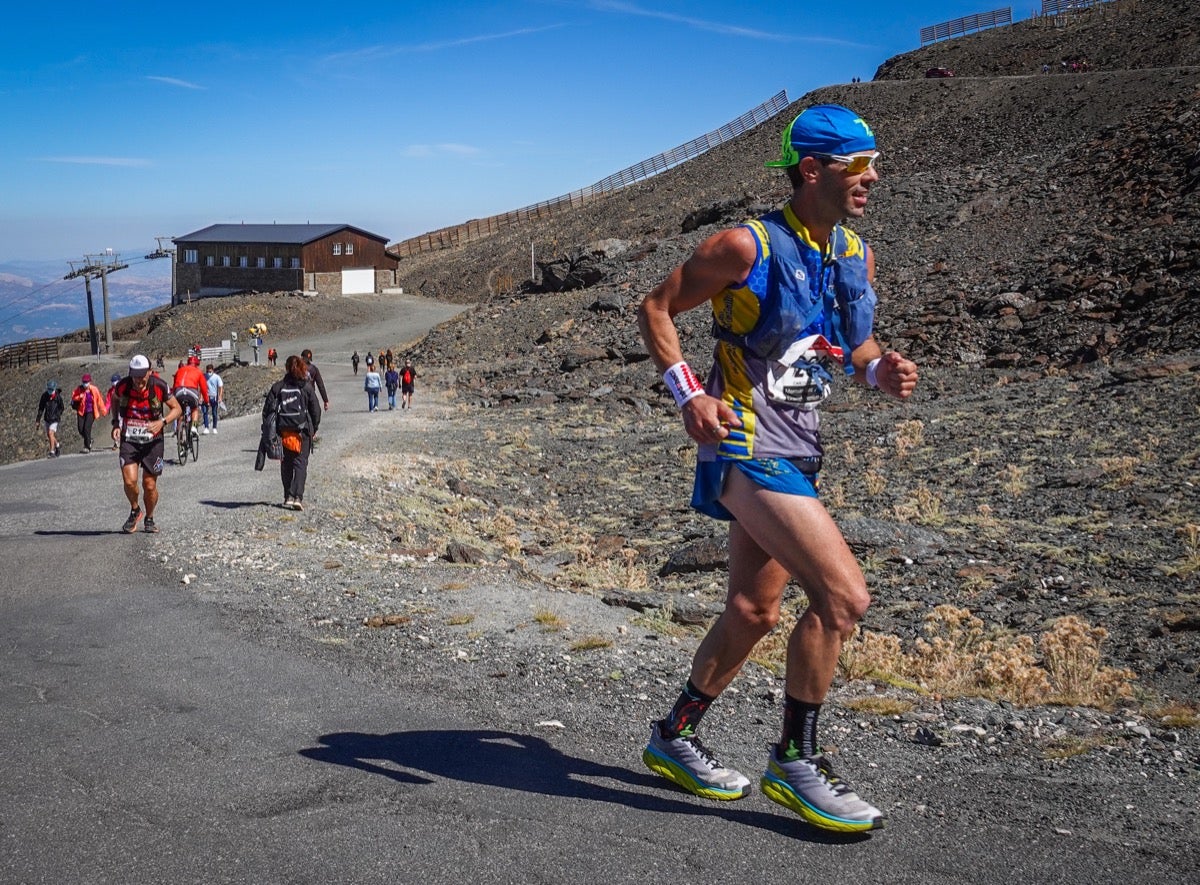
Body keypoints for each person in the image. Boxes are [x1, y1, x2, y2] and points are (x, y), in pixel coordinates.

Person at [636, 104, 918, 834]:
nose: (873, 177)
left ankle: (673, 736)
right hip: (745, 444)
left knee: (753, 611)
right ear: (813, 169)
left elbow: (853, 346)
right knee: (844, 597)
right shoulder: (745, 246)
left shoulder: (855, 253)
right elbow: (657, 307)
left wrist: (879, 371)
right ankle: (796, 759)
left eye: (875, 164)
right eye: (861, 165)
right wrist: (688, 395)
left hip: (801, 446)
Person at [110, 354, 182, 533]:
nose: (138, 380)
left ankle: (149, 518)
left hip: (153, 442)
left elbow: (177, 408)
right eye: (135, 375)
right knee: (129, 481)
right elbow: (114, 399)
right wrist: (116, 423)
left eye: (142, 375)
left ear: (149, 372)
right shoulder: (123, 386)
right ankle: (135, 510)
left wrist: (162, 422)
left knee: (149, 485)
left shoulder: (159, 386)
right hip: (129, 439)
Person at [262, 354, 321, 511]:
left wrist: (269, 431)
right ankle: (297, 497)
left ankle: (288, 496)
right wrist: (314, 428)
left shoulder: (278, 387)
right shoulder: (306, 387)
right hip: (302, 431)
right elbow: (316, 410)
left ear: (287, 368)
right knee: (300, 463)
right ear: (302, 367)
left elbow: (267, 411)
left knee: (286, 463)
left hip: (283, 432)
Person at [171, 355, 209, 438]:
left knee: (180, 410)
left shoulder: (179, 370)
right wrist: (206, 401)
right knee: (194, 409)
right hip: (191, 391)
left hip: (178, 391)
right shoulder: (198, 372)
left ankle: (178, 429)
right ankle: (194, 427)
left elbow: (174, 385)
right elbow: (204, 389)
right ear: (197, 364)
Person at [70, 373, 107, 453]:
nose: (85, 383)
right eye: (84, 382)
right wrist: (79, 396)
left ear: (90, 382)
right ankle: (89, 439)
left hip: (91, 412)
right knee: (80, 429)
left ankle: (87, 446)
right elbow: (73, 397)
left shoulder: (94, 389)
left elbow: (99, 400)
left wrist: (103, 410)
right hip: (81, 411)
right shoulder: (79, 389)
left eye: (86, 382)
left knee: (87, 428)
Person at [35, 380, 66, 457]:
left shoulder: (58, 397)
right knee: (49, 435)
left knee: (50, 433)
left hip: (55, 419)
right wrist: (38, 420)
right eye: (49, 389)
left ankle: (52, 451)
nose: (50, 391)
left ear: (54, 388)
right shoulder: (44, 396)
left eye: (51, 389)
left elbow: (62, 407)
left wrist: (58, 414)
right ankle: (57, 445)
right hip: (47, 418)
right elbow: (41, 408)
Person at [202, 364, 224, 434]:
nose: (209, 373)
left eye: (210, 371)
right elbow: (201, 387)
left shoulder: (217, 377)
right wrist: (201, 397)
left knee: (214, 413)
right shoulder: (204, 376)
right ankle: (206, 427)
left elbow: (220, 387)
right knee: (205, 412)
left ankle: (214, 427)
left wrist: (220, 396)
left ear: (213, 370)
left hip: (214, 397)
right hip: (206, 397)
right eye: (207, 371)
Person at [104, 373, 122, 449]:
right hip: (115, 410)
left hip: (122, 410)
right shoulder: (111, 391)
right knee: (116, 424)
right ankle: (116, 442)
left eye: (115, 381)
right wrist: (106, 409)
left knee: (121, 424)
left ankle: (120, 441)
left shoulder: (122, 389)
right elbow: (108, 401)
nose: (114, 383)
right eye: (112, 381)